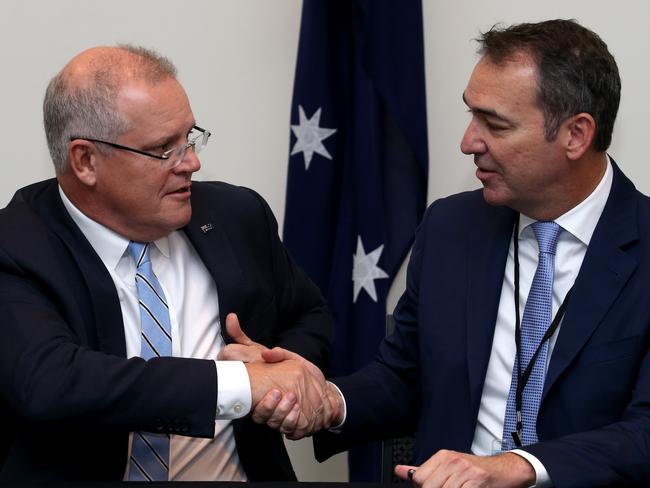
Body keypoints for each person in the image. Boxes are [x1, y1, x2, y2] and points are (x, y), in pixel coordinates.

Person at [238, 19, 650, 487]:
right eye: (472, 115)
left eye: (494, 124)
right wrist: (327, 400)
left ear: (576, 135)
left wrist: (517, 467)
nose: (468, 142)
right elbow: (404, 377)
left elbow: (644, 433)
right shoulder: (451, 227)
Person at [0, 44, 334, 482]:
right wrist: (238, 384)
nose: (192, 163)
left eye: (189, 138)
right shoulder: (17, 245)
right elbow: (50, 383)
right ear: (85, 161)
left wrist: (279, 373)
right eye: (163, 149)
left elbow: (311, 317)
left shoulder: (236, 216)